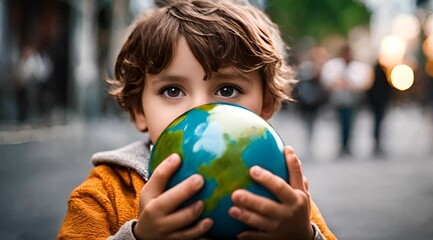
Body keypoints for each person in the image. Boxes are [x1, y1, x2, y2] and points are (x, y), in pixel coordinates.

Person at [58, 1, 336, 239]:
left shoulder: (283, 195)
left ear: (267, 105)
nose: (201, 111)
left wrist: (302, 235)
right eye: (172, 91)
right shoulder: (105, 192)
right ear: (139, 110)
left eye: (227, 90)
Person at [321, 44, 371, 156]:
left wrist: (350, 85)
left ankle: (347, 144)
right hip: (338, 100)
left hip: (352, 100)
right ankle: (342, 144)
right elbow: (327, 81)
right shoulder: (334, 65)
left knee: (350, 123)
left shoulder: (357, 67)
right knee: (339, 123)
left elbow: (362, 83)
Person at [366, 62, 392, 156]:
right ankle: (377, 141)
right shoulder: (381, 76)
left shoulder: (374, 77)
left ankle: (377, 141)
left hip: (376, 103)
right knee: (378, 121)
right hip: (379, 103)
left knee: (377, 122)